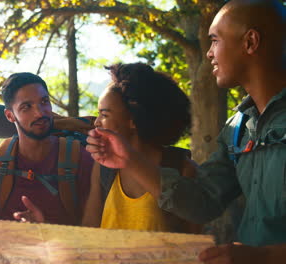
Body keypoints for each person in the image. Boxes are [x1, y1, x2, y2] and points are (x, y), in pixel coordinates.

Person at [86, 0, 286, 263]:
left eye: (215, 40)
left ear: (250, 42)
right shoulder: (237, 129)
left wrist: (263, 256)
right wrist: (129, 159)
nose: (209, 53)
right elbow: (204, 202)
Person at [80, 62, 200, 234]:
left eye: (104, 114)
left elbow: (194, 244)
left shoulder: (182, 170)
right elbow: (89, 229)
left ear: (133, 120)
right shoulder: (103, 167)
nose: (97, 122)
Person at [0, 72, 93, 225]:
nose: (39, 112)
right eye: (26, 107)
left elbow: (92, 232)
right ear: (10, 116)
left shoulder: (80, 158)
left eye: (44, 102)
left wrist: (43, 232)